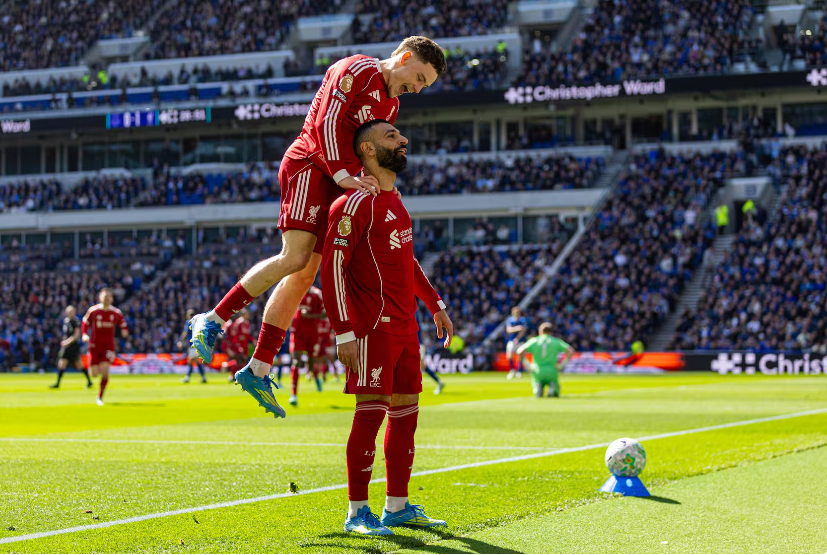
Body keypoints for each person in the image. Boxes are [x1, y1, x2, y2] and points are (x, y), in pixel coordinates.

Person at [188, 37, 447, 417]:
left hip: (340, 179)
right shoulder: (356, 69)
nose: (418, 88)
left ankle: (258, 368)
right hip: (310, 166)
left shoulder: (391, 104)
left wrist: (382, 186)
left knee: (304, 274)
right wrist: (343, 175)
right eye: (420, 78)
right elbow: (327, 122)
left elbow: (368, 149)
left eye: (425, 85)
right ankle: (213, 318)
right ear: (404, 57)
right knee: (294, 258)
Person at [320, 120, 453, 535]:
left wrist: (434, 304)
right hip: (372, 327)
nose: (403, 140)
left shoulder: (395, 200)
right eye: (391, 136)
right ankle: (357, 512)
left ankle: (397, 506)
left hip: (406, 327)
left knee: (406, 414)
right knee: (370, 414)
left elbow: (406, 260)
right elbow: (332, 269)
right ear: (368, 150)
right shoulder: (352, 204)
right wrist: (343, 331)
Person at [81, 288, 128, 406]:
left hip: (108, 346)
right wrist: (84, 334)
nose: (106, 298)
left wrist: (124, 331)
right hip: (94, 345)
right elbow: (85, 322)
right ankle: (90, 359)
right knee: (94, 374)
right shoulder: (93, 311)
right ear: (100, 298)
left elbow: (123, 324)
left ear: (112, 299)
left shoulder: (116, 312)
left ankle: (100, 396)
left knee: (105, 371)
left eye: (108, 296)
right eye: (104, 296)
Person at [288, 285, 326, 406]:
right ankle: (294, 395)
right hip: (298, 333)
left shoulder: (317, 294)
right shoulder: (295, 290)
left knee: (311, 362)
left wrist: (310, 316)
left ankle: (315, 376)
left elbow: (325, 314)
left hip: (312, 333)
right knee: (296, 362)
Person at [517, 323, 574, 398]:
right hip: (552, 370)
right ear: (550, 332)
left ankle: (537, 388)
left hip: (538, 370)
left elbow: (519, 352)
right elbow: (570, 351)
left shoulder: (534, 340)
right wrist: (561, 365)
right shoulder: (555, 341)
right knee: (556, 391)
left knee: (536, 382)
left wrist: (528, 366)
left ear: (540, 331)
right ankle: (553, 388)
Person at [50, 305, 92, 389]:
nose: (70, 313)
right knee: (61, 364)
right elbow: (66, 334)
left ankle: (89, 381)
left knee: (79, 365)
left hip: (73, 347)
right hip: (66, 347)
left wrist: (67, 342)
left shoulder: (76, 322)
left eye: (72, 311)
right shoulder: (66, 321)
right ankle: (57, 383)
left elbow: (76, 335)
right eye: (69, 312)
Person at [223, 309, 253, 382]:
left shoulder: (247, 323)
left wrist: (252, 340)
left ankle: (233, 374)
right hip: (237, 345)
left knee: (242, 361)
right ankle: (236, 374)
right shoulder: (236, 323)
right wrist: (234, 346)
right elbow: (230, 336)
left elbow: (247, 334)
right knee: (240, 360)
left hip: (244, 344)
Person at [178, 308, 206, 384]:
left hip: (192, 344)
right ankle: (202, 377)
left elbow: (185, 333)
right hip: (198, 344)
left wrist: (181, 341)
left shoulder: (189, 322)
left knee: (192, 361)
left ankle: (188, 378)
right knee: (193, 361)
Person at [505, 306, 528, 379]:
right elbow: (509, 330)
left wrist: (517, 338)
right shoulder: (510, 320)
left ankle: (519, 371)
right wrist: (517, 328)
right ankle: (512, 370)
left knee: (520, 356)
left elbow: (523, 330)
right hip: (511, 340)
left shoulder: (522, 320)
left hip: (520, 341)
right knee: (509, 355)